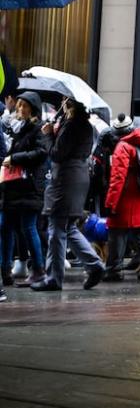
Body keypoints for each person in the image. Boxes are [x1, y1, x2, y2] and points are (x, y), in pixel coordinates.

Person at [35, 98, 106, 291]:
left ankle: (54, 278)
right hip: (77, 178)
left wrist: (49, 135)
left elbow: (57, 153)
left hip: (65, 179)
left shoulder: (72, 125)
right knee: (68, 228)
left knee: (57, 229)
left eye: (65, 101)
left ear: (70, 105)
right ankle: (94, 265)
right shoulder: (85, 126)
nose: (62, 103)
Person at [101, 115, 140, 282]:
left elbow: (117, 178)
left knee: (116, 232)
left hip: (125, 196)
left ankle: (114, 269)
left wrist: (111, 202)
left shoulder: (123, 146)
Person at [1, 92, 51, 287]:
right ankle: (5, 270)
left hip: (28, 187)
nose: (20, 109)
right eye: (19, 105)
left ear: (33, 109)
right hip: (12, 187)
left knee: (29, 228)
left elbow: (41, 153)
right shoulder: (16, 128)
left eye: (25, 106)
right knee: (5, 227)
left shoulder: (38, 129)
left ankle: (38, 270)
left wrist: (15, 158)